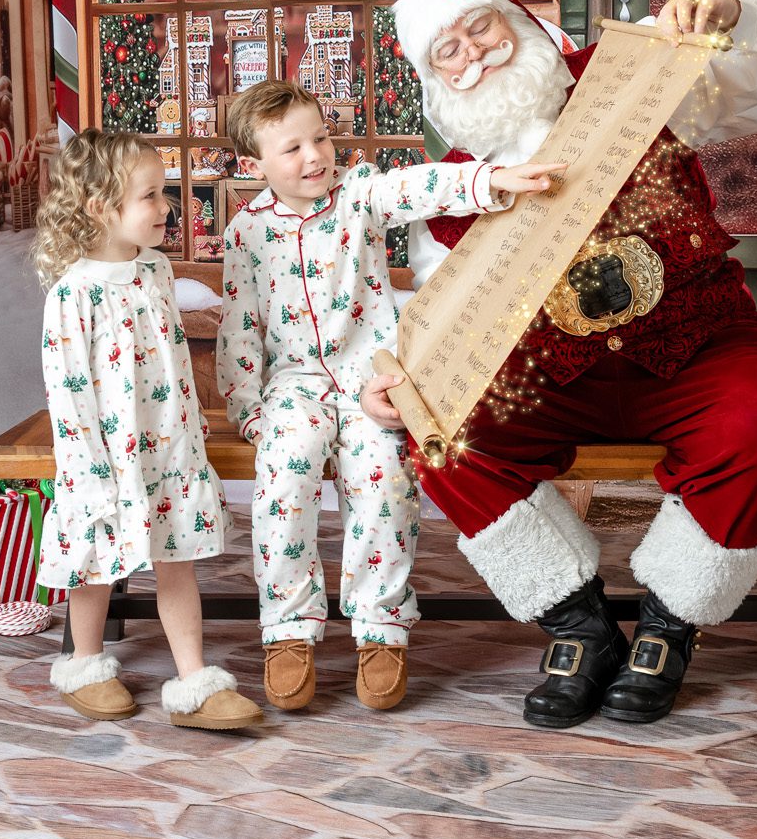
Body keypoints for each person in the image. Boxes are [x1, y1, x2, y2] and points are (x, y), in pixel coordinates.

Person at [363, 0, 757, 729]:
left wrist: (727, 7)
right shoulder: (453, 192)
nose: (475, 55)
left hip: (695, 340)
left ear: (515, 20)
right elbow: (441, 320)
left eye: (481, 28)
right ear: (434, 79)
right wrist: (399, 381)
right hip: (556, 378)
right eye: (449, 51)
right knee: (441, 439)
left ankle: (671, 623)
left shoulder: (624, 79)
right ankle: (580, 625)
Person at [217, 80, 561, 711]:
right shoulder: (246, 234)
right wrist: (251, 412)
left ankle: (381, 628)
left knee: (382, 479)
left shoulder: (359, 197)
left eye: (319, 137)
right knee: (284, 475)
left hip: (370, 378)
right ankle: (289, 630)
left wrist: (493, 182)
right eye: (292, 149)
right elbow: (240, 328)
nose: (315, 156)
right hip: (294, 385)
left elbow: (419, 185)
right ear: (253, 166)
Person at [33, 129, 262, 731]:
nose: (167, 207)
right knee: (96, 562)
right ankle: (85, 664)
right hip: (104, 457)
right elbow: (68, 390)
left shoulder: (155, 271)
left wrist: (189, 432)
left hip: (168, 449)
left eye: (164, 193)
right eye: (151, 196)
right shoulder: (73, 294)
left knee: (176, 558)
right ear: (99, 208)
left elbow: (172, 359)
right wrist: (86, 469)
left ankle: (193, 680)